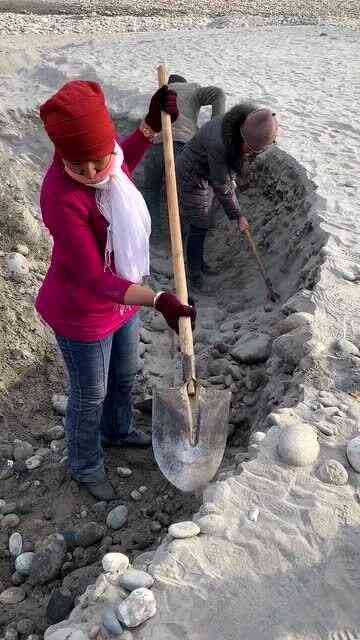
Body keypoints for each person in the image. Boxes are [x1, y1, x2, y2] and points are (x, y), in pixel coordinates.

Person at [36, 80, 196, 501]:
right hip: (81, 311)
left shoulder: (109, 165)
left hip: (121, 301)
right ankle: (84, 464)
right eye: (80, 164)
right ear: (64, 155)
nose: (92, 173)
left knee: (125, 375)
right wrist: (158, 299)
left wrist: (148, 125)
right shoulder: (60, 195)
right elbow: (94, 279)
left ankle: (118, 431)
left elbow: (120, 165)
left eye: (99, 160)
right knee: (91, 393)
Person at [176, 103, 279, 289]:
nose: (250, 153)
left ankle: (199, 263)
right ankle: (194, 274)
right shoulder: (220, 143)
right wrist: (238, 215)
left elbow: (226, 177)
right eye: (250, 149)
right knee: (199, 224)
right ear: (243, 138)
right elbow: (222, 185)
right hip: (192, 172)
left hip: (207, 172)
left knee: (204, 221)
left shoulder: (247, 122)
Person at [142, 74, 225, 227]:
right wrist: (214, 128)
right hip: (183, 145)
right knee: (186, 193)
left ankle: (153, 232)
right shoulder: (192, 89)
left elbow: (145, 128)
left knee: (150, 189)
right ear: (184, 83)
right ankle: (183, 235)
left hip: (156, 146)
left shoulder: (158, 95)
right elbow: (218, 94)